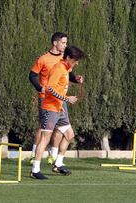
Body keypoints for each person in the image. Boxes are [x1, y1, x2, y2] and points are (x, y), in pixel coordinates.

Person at [31, 46, 87, 179]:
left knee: (69, 134)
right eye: (75, 60)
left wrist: (63, 101)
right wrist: (66, 99)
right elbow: (49, 88)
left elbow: (60, 88)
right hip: (50, 108)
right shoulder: (58, 68)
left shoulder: (66, 68)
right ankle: (35, 170)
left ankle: (58, 164)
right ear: (68, 58)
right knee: (45, 138)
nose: (77, 63)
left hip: (59, 107)